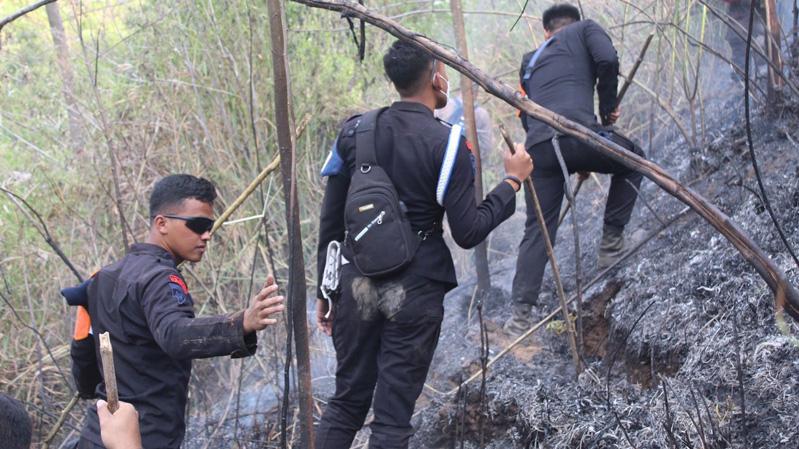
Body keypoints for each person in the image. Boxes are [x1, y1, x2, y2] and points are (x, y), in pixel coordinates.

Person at [314, 40, 533, 448]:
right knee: (393, 417)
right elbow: (467, 231)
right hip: (415, 287)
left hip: (353, 283)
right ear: (436, 77)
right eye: (444, 70)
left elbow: (330, 224)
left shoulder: (355, 132)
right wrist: (511, 182)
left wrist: (325, 291)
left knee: (346, 404)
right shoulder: (449, 143)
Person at [73, 174, 285, 449]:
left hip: (96, 434)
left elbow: (83, 367)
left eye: (209, 226)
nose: (206, 235)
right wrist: (241, 323)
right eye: (197, 225)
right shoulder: (161, 278)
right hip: (142, 439)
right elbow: (175, 334)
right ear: (161, 223)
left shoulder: (102, 278)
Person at [506, 4, 646, 336]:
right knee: (635, 158)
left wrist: (574, 153)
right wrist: (608, 108)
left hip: (540, 150)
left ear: (546, 32)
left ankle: (520, 317)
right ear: (576, 24)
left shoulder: (531, 59)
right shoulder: (586, 30)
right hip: (579, 134)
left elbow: (527, 115)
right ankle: (611, 246)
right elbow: (608, 60)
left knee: (538, 229)